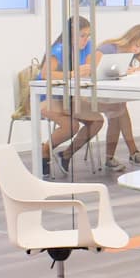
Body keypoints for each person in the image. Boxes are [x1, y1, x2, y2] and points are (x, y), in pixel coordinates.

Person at [41, 15, 104, 175]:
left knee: (97, 121)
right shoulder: (58, 50)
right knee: (71, 126)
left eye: (88, 35)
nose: (86, 39)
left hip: (69, 98)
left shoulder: (88, 46)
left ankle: (66, 155)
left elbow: (89, 68)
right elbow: (46, 74)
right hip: (47, 98)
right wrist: (72, 74)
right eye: (82, 35)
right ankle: (44, 151)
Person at [94, 24, 140, 170]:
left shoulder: (135, 52)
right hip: (96, 93)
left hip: (114, 95)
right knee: (119, 108)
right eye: (137, 46)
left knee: (119, 108)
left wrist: (134, 70)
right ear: (130, 39)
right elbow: (94, 71)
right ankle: (132, 152)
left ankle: (112, 158)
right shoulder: (108, 48)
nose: (137, 51)